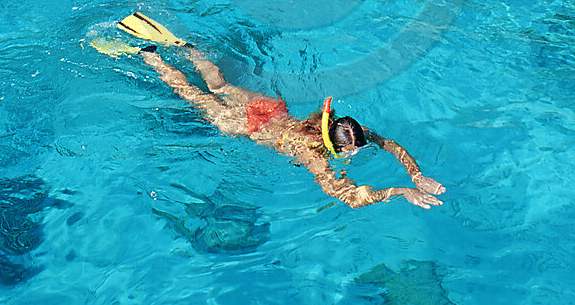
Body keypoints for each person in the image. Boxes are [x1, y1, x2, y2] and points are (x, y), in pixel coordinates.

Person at [115, 13, 445, 211]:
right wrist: (400, 191)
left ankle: (187, 49)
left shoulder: (338, 129)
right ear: (340, 145)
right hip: (252, 126)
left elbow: (387, 143)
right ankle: (151, 57)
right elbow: (349, 197)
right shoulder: (314, 156)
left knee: (218, 86)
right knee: (195, 96)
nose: (361, 147)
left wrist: (415, 175)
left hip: (268, 110)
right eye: (356, 148)